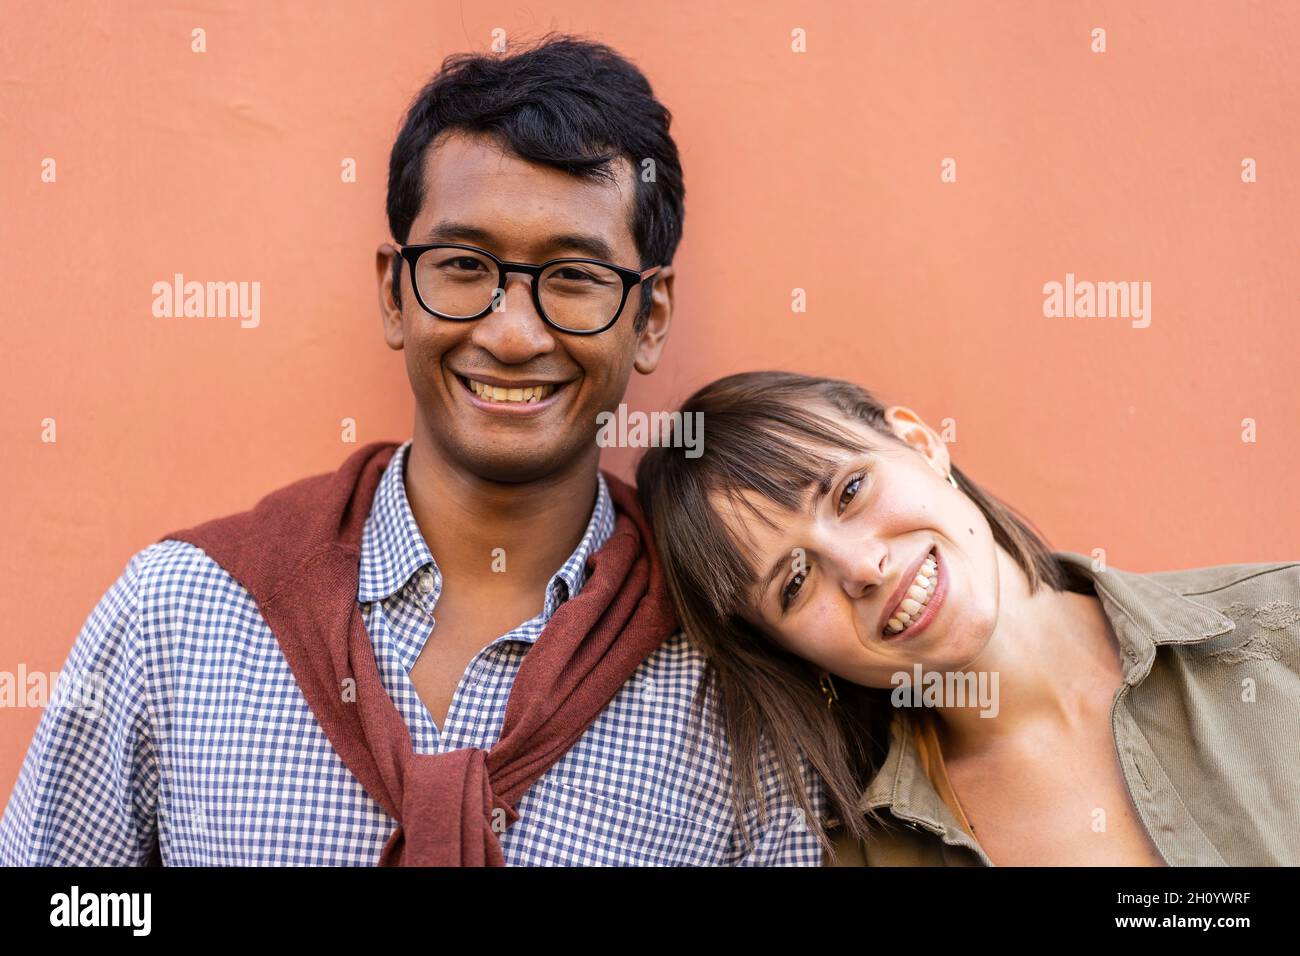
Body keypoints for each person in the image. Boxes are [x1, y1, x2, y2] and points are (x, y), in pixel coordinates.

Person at [0, 37, 826, 866]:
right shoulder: (180, 614)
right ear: (395, 294)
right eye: (465, 266)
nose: (511, 334)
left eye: (574, 275)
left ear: (649, 319)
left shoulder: (735, 672)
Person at [636, 369, 1300, 865]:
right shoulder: (869, 857)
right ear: (788, 648)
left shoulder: (1280, 626)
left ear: (921, 444)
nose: (863, 568)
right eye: (796, 581)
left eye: (849, 491)